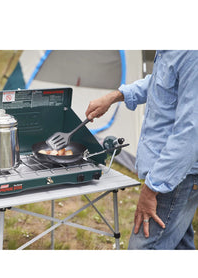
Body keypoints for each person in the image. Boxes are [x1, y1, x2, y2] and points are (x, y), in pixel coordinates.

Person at [85, 50, 198, 249]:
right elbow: (160, 83)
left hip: (176, 178)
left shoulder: (191, 55)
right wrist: (115, 96)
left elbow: (190, 132)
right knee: (179, 244)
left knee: (143, 247)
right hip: (174, 176)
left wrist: (152, 188)